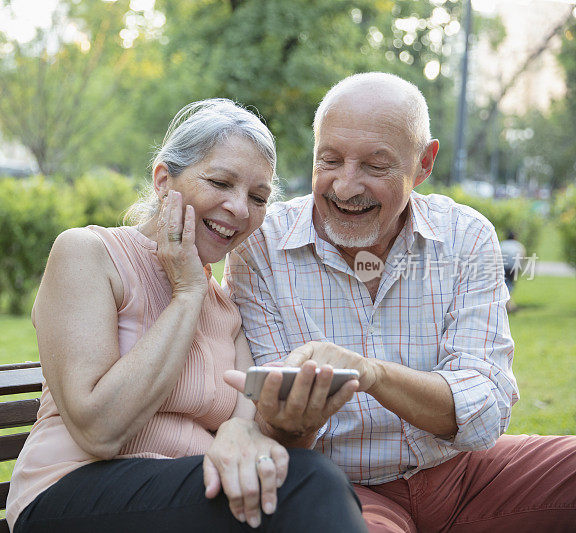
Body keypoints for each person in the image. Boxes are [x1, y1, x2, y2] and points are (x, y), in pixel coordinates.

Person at [224, 73, 576, 532]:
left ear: (423, 163)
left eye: (375, 166)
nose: (346, 187)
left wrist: (370, 374)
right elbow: (278, 432)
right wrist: (290, 420)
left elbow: (486, 408)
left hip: (466, 474)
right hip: (344, 485)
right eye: (329, 160)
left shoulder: (466, 237)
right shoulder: (260, 248)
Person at [5, 98, 367, 532]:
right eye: (220, 182)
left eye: (257, 197)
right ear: (163, 179)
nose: (238, 208)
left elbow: (247, 432)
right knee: (312, 482)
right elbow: (98, 431)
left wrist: (258, 430)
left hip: (186, 500)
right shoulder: (88, 254)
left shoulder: (228, 310)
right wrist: (188, 291)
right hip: (69, 494)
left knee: (303, 477)